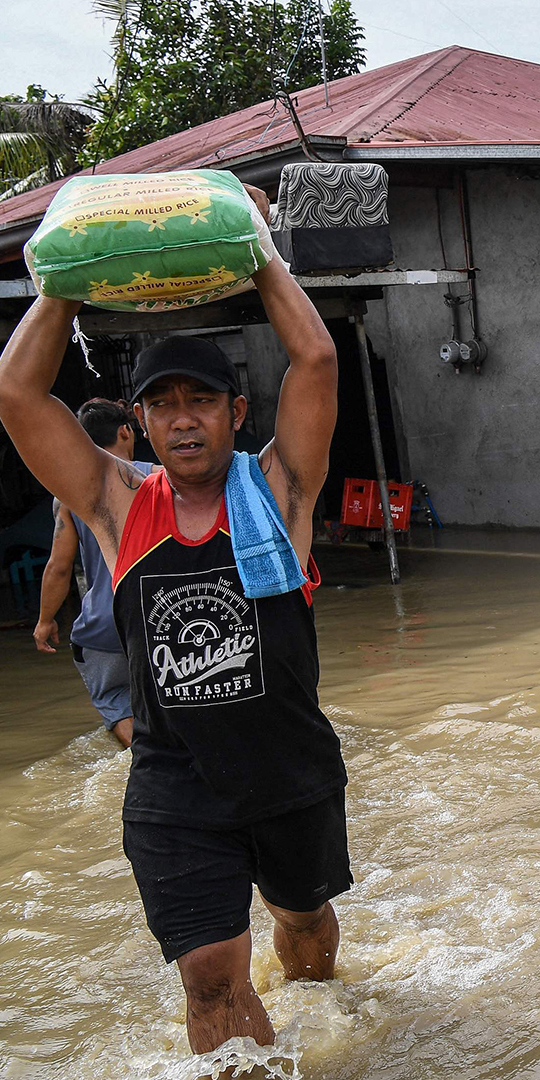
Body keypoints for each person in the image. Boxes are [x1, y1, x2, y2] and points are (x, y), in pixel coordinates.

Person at [0, 192, 348, 1054]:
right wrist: (67, 279)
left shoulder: (279, 493)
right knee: (209, 982)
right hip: (173, 786)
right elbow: (16, 390)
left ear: (237, 413)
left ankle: (332, 1015)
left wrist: (261, 250)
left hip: (289, 769)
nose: (183, 416)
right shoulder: (117, 505)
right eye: (163, 404)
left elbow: (314, 358)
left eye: (203, 400)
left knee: (304, 933)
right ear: (143, 423)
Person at [33, 399, 153, 748]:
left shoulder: (68, 495)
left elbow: (59, 566)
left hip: (102, 626)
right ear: (125, 431)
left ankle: (141, 759)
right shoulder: (158, 479)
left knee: (118, 704)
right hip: (155, 616)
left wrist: (44, 620)